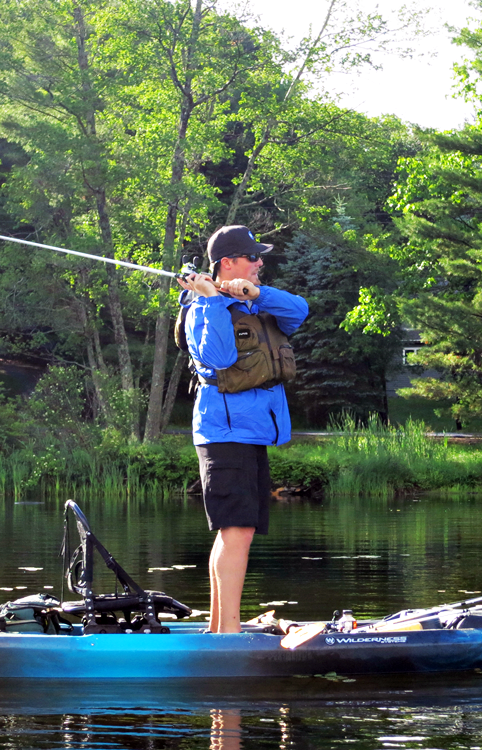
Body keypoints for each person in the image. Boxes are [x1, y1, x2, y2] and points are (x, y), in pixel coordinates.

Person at [176, 225, 308, 633]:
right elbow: (218, 356)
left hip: (251, 434)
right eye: (252, 258)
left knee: (239, 531)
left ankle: (220, 629)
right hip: (223, 433)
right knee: (237, 531)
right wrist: (213, 300)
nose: (260, 263)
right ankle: (228, 633)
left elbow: (299, 310)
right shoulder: (202, 309)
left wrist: (256, 293)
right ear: (227, 263)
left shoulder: (256, 303)